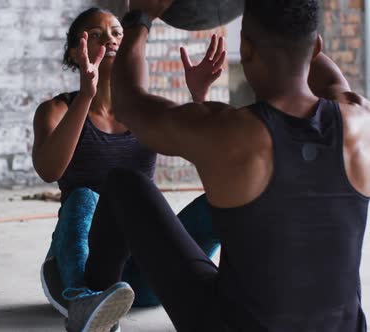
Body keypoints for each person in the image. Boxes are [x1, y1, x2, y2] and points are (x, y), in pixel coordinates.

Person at [68, 0, 370, 331]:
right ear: (316, 47)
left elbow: (129, 103)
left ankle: (91, 297)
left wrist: (141, 16)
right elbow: (330, 80)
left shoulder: (228, 132)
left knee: (125, 184)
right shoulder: (360, 122)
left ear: (247, 49)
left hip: (229, 325)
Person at [31, 6, 226, 331]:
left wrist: (199, 97)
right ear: (74, 53)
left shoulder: (144, 112)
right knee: (83, 196)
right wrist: (86, 95)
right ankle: (82, 301)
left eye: (117, 33)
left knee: (217, 205)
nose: (110, 39)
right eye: (97, 34)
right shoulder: (54, 110)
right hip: (84, 265)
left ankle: (234, 294)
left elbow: (212, 158)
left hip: (141, 274)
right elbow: (49, 170)